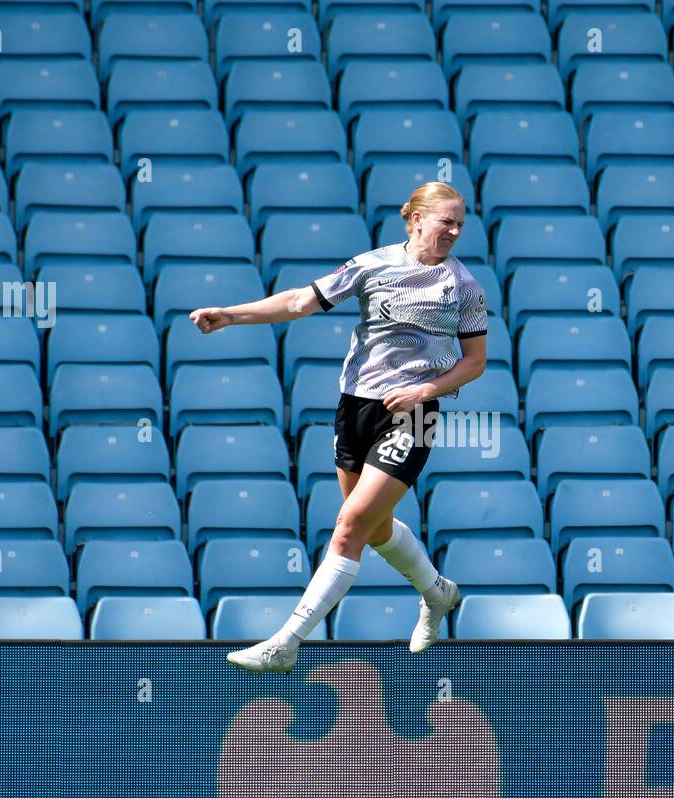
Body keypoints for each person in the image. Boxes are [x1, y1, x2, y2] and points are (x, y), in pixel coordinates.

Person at [189, 182, 488, 672]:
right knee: (373, 530)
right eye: (445, 221)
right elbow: (298, 303)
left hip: (412, 413)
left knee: (349, 525)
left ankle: (286, 642)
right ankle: (438, 593)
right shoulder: (373, 265)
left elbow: (475, 361)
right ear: (414, 219)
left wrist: (425, 391)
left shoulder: (465, 287)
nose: (454, 231)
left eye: (460, 223)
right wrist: (230, 315)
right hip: (356, 409)